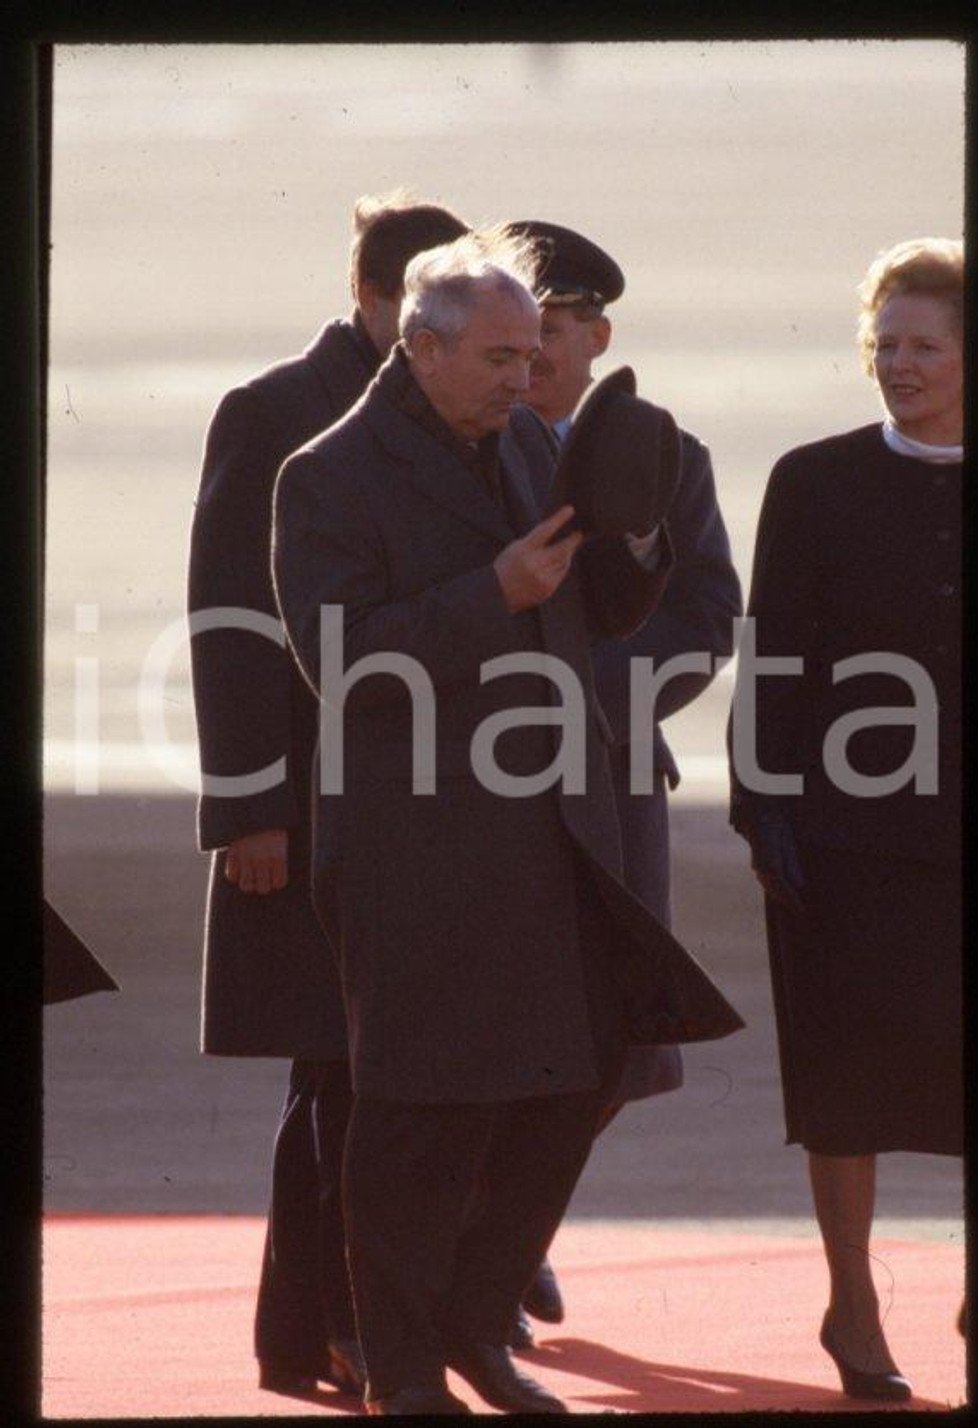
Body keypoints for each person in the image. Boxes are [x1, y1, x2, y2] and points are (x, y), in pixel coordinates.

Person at [273, 226, 744, 1415]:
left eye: (532, 354)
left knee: (569, 1086)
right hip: (415, 842)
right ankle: (405, 1370)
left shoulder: (532, 438)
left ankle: (478, 1331)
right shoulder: (327, 471)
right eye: (497, 358)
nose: (523, 379)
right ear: (421, 349)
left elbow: (597, 597)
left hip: (560, 828)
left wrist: (633, 536)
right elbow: (341, 663)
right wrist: (489, 596)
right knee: (419, 1116)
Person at [187, 192, 469, 1398]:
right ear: (371, 298)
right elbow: (227, 620)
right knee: (340, 1069)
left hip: (416, 804)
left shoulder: (451, 411)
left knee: (349, 1071)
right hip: (301, 806)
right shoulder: (274, 411)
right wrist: (246, 810)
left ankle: (307, 1332)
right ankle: (341, 1325)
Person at [729, 237, 963, 1401]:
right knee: (842, 1080)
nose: (899, 365)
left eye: (924, 346)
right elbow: (768, 658)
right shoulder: (812, 480)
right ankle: (852, 1298)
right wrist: (761, 809)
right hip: (843, 836)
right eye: (884, 345)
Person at [510, 218, 742, 1325]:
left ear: (598, 335)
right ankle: (490, 1252)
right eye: (525, 326)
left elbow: (704, 615)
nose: (538, 348)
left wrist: (594, 704)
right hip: (485, 776)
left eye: (556, 327)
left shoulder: (667, 452)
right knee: (498, 1027)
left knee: (616, 1041)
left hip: (613, 771)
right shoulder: (474, 443)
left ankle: (514, 1229)